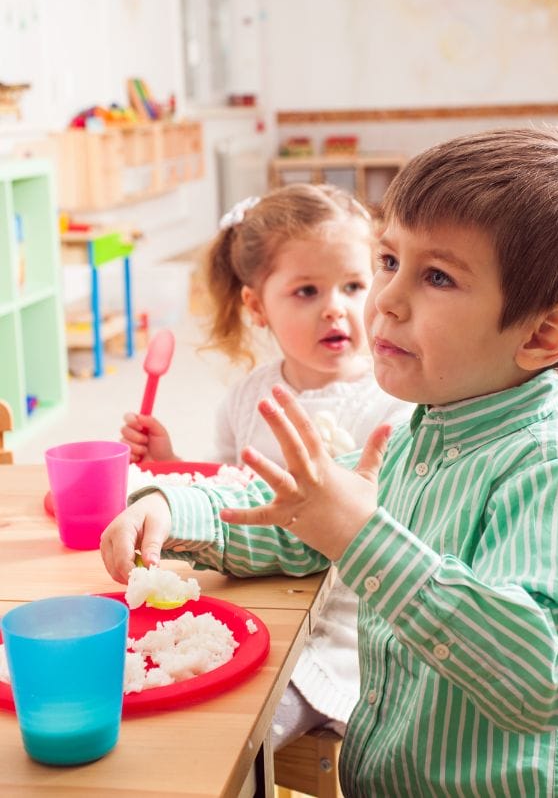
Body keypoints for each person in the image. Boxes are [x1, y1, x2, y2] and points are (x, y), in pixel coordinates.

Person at [102, 126, 558, 797]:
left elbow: (543, 676)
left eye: (438, 276)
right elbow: (298, 511)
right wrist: (175, 508)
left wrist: (362, 537)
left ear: (540, 335)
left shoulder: (554, 467)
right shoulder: (418, 433)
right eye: (389, 260)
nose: (384, 300)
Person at [119, 182, 413, 750]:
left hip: (340, 628)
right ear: (256, 306)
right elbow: (230, 491)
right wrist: (171, 464)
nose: (336, 306)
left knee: (233, 736)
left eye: (355, 285)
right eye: (307, 290)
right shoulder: (246, 397)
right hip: (249, 596)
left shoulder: (392, 403)